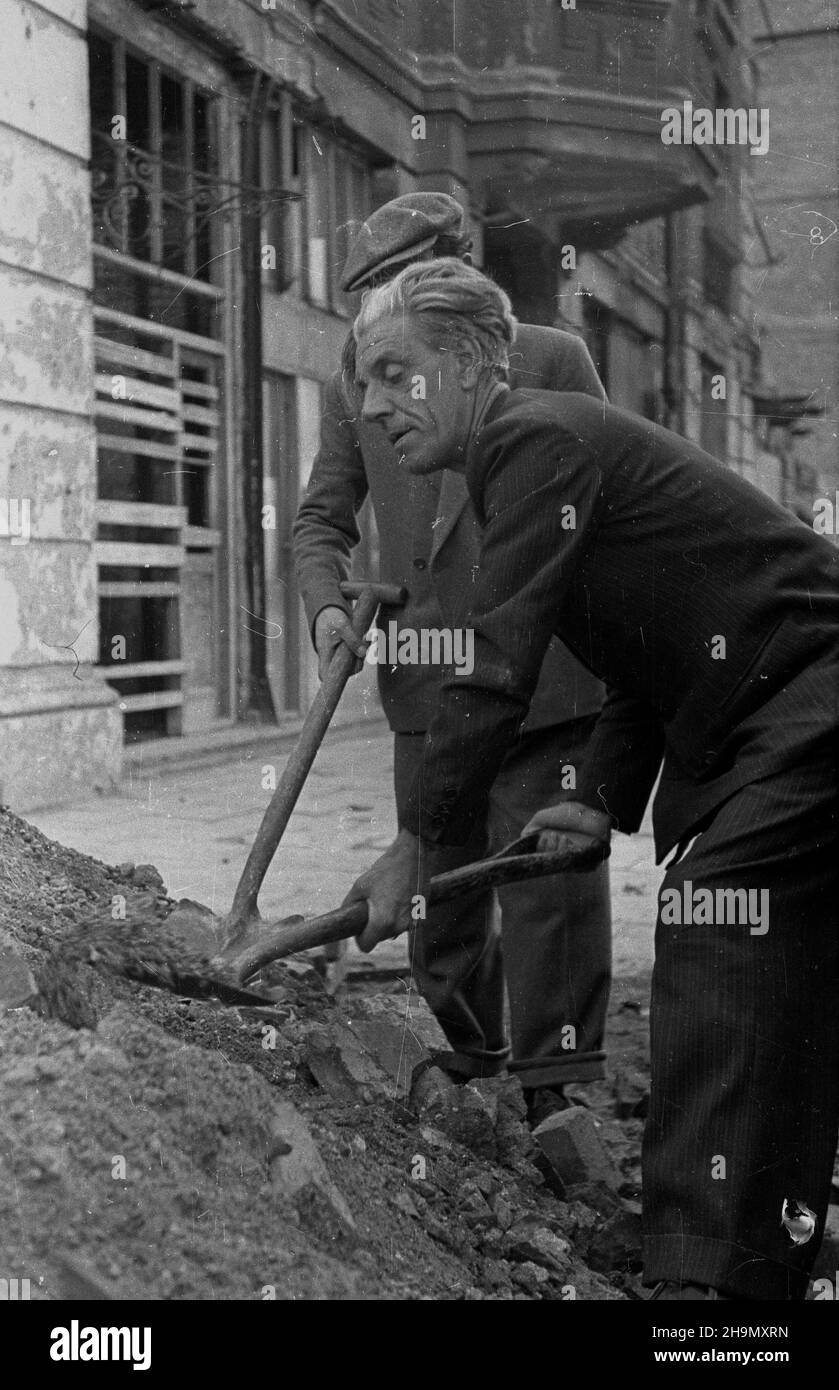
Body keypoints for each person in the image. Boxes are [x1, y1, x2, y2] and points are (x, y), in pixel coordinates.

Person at [346, 256, 839, 1301]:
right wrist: (595, 796)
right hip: (774, 706)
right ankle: (755, 1274)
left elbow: (493, 668)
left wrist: (418, 842)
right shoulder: (535, 449)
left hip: (805, 695)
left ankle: (693, 1293)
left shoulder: (531, 437)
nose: (372, 407)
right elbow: (645, 651)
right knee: (776, 986)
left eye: (394, 373)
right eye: (360, 382)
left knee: (712, 926)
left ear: (475, 361)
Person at [293, 193, 612, 1120]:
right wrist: (325, 611)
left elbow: (594, 504)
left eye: (413, 273)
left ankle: (561, 1106)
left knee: (548, 882)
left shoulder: (550, 357)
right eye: (373, 288)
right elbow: (321, 517)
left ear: (460, 265)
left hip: (546, 675)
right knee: (437, 890)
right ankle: (465, 1072)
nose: (388, 301)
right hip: (428, 684)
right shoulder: (357, 380)